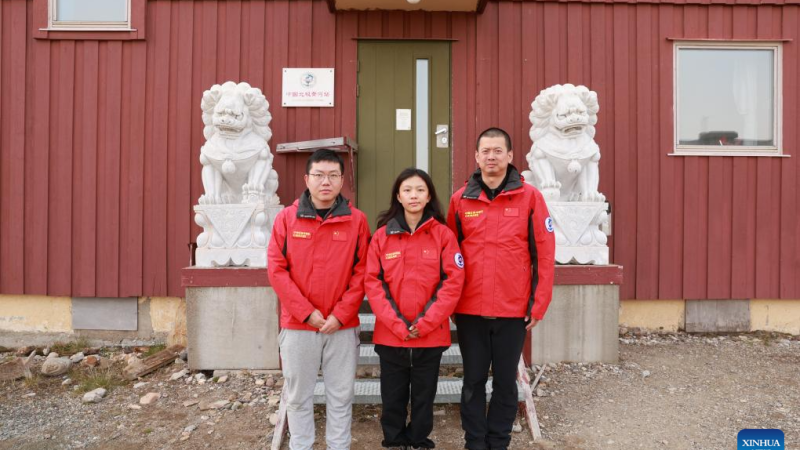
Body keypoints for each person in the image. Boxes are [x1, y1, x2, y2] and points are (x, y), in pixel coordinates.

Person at [447, 128, 555, 450]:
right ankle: (475, 442)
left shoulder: (530, 198)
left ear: (510, 156)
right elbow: (449, 257)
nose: (491, 157)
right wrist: (451, 304)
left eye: (498, 151)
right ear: (477, 156)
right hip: (470, 310)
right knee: (473, 381)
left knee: (506, 383)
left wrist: (538, 304)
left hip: (512, 310)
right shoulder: (460, 199)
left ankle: (499, 442)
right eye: (486, 151)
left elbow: (545, 254)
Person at [268, 149, 371, 450]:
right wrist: (305, 312)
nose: (325, 182)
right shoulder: (286, 219)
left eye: (333, 176)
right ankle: (302, 446)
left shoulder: (357, 221)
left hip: (342, 326)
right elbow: (276, 270)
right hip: (299, 326)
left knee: (341, 395)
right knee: (299, 397)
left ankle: (339, 446)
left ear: (342, 181)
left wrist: (340, 314)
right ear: (307, 179)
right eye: (319, 175)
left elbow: (363, 271)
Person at [365, 168, 465, 450]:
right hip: (390, 335)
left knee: (424, 396)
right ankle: (394, 441)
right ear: (398, 195)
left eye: (420, 189)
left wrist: (425, 323)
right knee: (392, 396)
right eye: (407, 190)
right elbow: (373, 283)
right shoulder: (382, 237)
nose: (413, 195)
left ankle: (419, 439)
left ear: (429, 195)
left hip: (430, 335)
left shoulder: (443, 235)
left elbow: (453, 282)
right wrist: (398, 325)